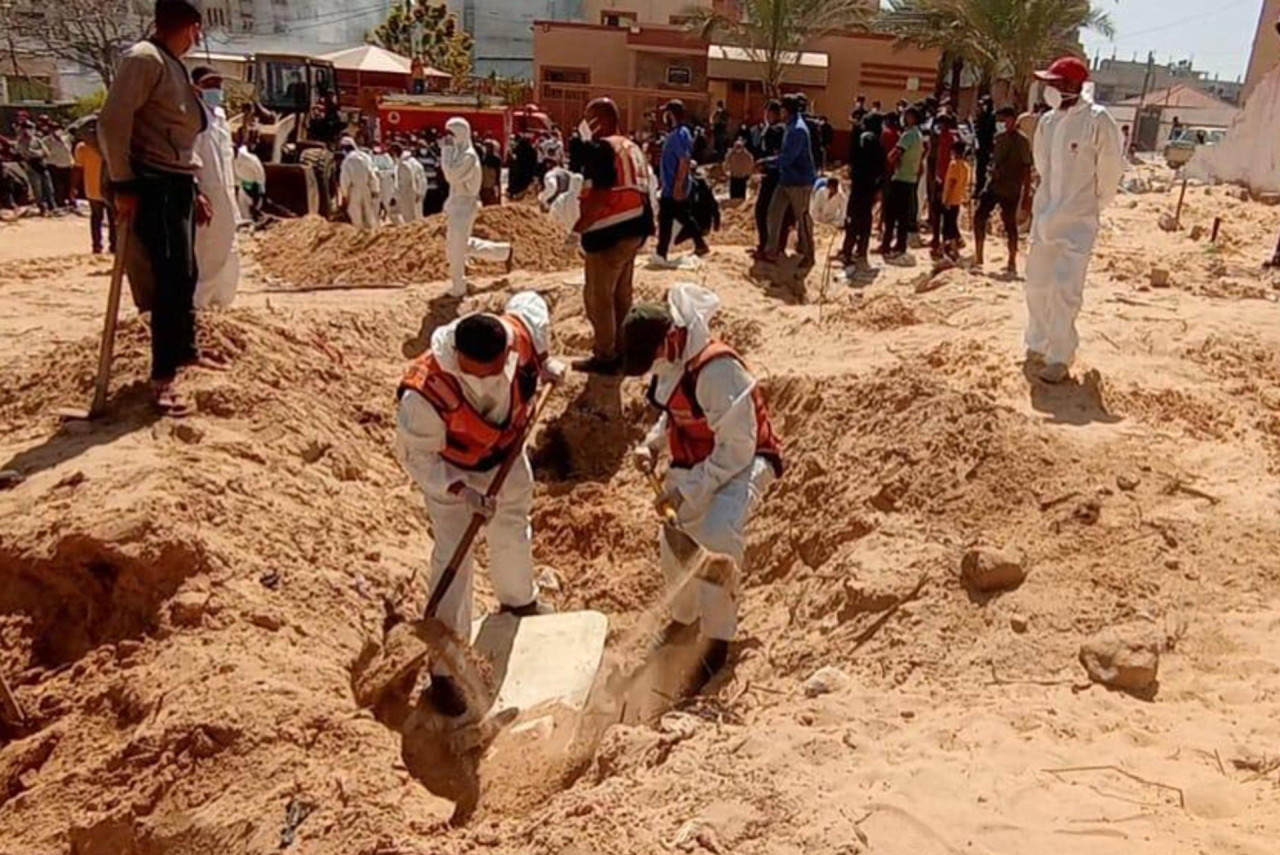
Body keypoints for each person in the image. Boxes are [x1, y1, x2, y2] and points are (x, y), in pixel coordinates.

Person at [394, 293, 566, 718]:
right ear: (458, 357)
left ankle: (518, 599)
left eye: (498, 369)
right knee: (455, 554)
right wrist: (461, 491)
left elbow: (532, 306)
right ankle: (446, 668)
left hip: (506, 456)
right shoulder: (425, 392)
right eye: (481, 373)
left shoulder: (517, 332)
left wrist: (544, 364)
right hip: (452, 472)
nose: (493, 378)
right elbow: (419, 458)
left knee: (511, 525)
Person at [621, 283, 784, 691]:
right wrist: (652, 445)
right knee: (675, 542)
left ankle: (716, 641)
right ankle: (684, 621)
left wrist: (688, 489)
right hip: (696, 459)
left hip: (744, 463)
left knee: (716, 536)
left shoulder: (717, 371)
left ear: (669, 338)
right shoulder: (671, 361)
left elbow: (737, 448)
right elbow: (674, 413)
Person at [98, 0, 217, 416]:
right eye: (198, 31)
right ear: (191, 28)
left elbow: (180, 138)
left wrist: (195, 188)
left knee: (185, 274)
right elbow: (112, 123)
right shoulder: (144, 60)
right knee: (167, 280)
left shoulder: (170, 63)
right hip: (152, 184)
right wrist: (123, 183)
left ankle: (184, 351)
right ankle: (162, 379)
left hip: (177, 182)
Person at [1025, 56, 1124, 384]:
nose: (1050, 88)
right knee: (1038, 285)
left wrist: (1091, 207)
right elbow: (1042, 165)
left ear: (1074, 86)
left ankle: (1059, 356)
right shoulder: (1048, 122)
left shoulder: (1097, 121)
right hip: (1045, 218)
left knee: (1066, 291)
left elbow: (1109, 172)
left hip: (1077, 224)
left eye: (1056, 83)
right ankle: (1036, 344)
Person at [571, 97, 653, 374]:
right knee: (622, 295)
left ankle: (606, 355)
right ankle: (623, 348)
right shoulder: (631, 147)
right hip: (635, 228)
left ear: (600, 120)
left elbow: (601, 194)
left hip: (609, 232)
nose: (584, 124)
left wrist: (579, 229)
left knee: (598, 297)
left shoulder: (603, 148)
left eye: (588, 117)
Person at [441, 116, 514, 297]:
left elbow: (451, 175)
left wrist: (446, 151)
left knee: (456, 247)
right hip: (457, 204)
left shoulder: (468, 156)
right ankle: (502, 252)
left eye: (451, 133)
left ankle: (459, 286)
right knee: (459, 245)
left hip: (464, 205)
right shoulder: (459, 153)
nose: (448, 138)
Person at [191, 66, 240, 310]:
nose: (216, 89)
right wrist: (197, 193)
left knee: (230, 252)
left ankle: (221, 305)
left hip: (227, 196)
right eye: (210, 84)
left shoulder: (221, 118)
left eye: (219, 84)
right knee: (207, 254)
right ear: (196, 87)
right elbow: (189, 158)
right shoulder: (193, 116)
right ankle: (199, 307)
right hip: (207, 195)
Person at [760, 94, 817, 276]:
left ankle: (809, 254)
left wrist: (766, 162)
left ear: (787, 110)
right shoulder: (791, 126)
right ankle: (772, 251)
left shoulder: (798, 130)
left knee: (802, 218)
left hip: (800, 182)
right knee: (774, 213)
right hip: (787, 179)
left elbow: (787, 158)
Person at [974, 106, 1033, 275]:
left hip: (1011, 188)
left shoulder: (1022, 141)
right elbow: (994, 160)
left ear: (1013, 120)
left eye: (1005, 119)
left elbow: (1026, 168)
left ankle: (1012, 260)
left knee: (1010, 225)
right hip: (994, 184)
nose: (1002, 123)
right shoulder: (999, 138)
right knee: (979, 216)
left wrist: (1026, 193)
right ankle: (978, 255)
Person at [653, 100, 709, 267]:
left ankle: (661, 252)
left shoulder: (680, 134)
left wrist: (678, 186)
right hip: (670, 185)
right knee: (680, 217)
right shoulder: (677, 133)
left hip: (674, 186)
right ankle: (699, 244)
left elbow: (684, 161)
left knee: (667, 218)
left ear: (671, 115)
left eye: (666, 114)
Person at [838, 111, 884, 271]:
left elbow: (854, 158)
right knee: (865, 219)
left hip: (859, 185)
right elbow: (881, 167)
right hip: (870, 186)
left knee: (853, 217)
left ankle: (847, 251)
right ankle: (861, 251)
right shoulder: (878, 141)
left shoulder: (863, 138)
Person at [879, 106, 924, 259]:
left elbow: (894, 154)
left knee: (891, 215)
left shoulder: (908, 135)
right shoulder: (918, 135)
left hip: (900, 178)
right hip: (910, 179)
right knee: (903, 216)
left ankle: (886, 245)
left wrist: (892, 162)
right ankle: (900, 245)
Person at [73, 125, 115, 254]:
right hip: (109, 188)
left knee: (96, 218)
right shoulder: (111, 145)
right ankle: (113, 245)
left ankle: (97, 245)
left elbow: (77, 169)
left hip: (92, 188)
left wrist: (73, 187)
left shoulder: (83, 147)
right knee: (112, 218)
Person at [754, 100, 788, 255]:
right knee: (780, 213)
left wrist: (764, 165)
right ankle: (778, 245)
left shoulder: (773, 131)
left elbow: (774, 154)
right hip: (783, 177)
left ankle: (765, 245)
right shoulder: (785, 129)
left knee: (762, 211)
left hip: (772, 176)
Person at [927, 113, 957, 252]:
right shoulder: (940, 138)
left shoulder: (951, 139)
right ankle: (936, 238)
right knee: (936, 209)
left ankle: (946, 240)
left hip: (948, 178)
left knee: (946, 211)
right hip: (939, 176)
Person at [338, 136, 379, 230]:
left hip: (354, 190)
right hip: (367, 188)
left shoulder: (347, 161)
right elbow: (372, 174)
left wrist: (345, 195)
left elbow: (345, 180)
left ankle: (360, 236)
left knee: (356, 215)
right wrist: (375, 189)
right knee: (369, 213)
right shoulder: (365, 157)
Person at [16, 118, 55, 215]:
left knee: (48, 187)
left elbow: (46, 152)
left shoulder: (37, 140)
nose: (29, 130)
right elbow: (26, 153)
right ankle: (42, 207)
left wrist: (37, 153)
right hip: (31, 166)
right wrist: (38, 153)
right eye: (27, 128)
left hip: (42, 165)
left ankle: (52, 206)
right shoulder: (21, 141)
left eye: (30, 128)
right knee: (37, 189)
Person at [940, 139, 970, 262]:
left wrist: (946, 200)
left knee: (948, 225)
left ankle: (952, 248)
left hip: (950, 199)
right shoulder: (966, 166)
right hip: (957, 198)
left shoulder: (953, 165)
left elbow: (951, 183)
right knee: (952, 223)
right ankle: (951, 246)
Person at [40, 119, 75, 209]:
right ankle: (59, 202)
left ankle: (68, 200)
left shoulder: (66, 138)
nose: (57, 130)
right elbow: (45, 153)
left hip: (67, 164)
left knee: (68, 184)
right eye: (54, 128)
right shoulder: (46, 140)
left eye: (58, 128)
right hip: (54, 165)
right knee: (58, 185)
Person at [233, 135, 266, 223]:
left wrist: (261, 187)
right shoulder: (231, 159)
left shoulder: (248, 158)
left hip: (254, 186)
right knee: (243, 209)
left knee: (255, 205)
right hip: (243, 185)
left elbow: (259, 171)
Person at [973, 95, 996, 198]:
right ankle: (978, 188)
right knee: (979, 170)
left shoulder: (991, 116)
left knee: (983, 170)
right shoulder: (981, 116)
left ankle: (982, 189)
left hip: (986, 147)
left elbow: (989, 131)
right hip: (980, 145)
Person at [372, 145, 398, 223]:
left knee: (388, 203)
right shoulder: (373, 158)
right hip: (377, 182)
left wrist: (382, 173)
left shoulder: (387, 158)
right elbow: (373, 169)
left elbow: (392, 170)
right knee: (375, 205)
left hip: (387, 182)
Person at [480, 141, 502, 206]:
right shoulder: (483, 158)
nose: (487, 149)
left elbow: (497, 174)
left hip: (491, 185)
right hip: (485, 184)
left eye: (488, 147)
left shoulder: (495, 159)